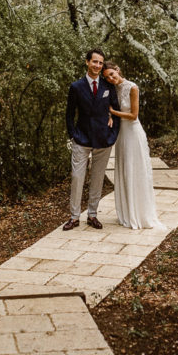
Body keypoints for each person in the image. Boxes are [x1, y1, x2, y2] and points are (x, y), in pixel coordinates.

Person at [102, 62, 164, 230]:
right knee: (124, 170)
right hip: (121, 134)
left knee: (135, 170)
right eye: (107, 77)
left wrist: (112, 112)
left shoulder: (132, 87)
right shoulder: (112, 89)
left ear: (118, 70)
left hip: (133, 133)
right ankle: (127, 212)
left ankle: (140, 213)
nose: (111, 78)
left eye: (112, 74)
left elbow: (133, 114)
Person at [64, 49, 120, 230]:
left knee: (97, 178)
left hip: (103, 140)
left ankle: (92, 214)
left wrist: (113, 134)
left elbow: (116, 110)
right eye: (94, 62)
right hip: (81, 139)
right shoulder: (76, 87)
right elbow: (69, 114)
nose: (97, 66)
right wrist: (73, 134)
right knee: (77, 177)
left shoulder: (108, 86)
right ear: (87, 62)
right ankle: (74, 217)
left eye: (100, 63)